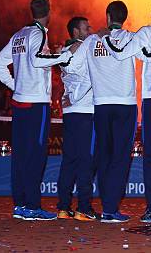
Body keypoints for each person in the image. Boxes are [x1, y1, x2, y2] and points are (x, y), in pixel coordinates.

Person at [81, 1, 151, 223]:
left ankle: (145, 209)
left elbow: (125, 56)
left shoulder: (144, 33)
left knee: (141, 155)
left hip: (135, 102)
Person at [0, 0, 77, 221]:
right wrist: (65, 56)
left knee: (20, 155)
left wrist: (16, 85)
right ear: (48, 12)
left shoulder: (19, 34)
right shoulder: (38, 33)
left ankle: (20, 204)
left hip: (20, 102)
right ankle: (32, 206)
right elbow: (38, 60)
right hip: (36, 103)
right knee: (36, 155)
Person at [56, 16, 97, 222]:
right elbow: (92, 78)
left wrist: (69, 97)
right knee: (85, 161)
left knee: (69, 160)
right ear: (75, 31)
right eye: (85, 28)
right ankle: (83, 207)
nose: (89, 30)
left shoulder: (64, 52)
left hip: (70, 113)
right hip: (85, 111)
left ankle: (63, 207)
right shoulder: (86, 49)